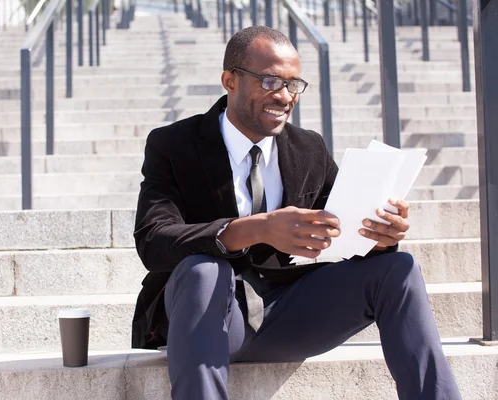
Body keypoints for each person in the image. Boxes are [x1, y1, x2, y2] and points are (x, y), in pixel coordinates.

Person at [131, 26, 461, 400]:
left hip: (291, 315)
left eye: (294, 84)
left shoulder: (308, 148)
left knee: (399, 269)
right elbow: (154, 240)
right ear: (230, 81)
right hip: (211, 319)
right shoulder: (173, 144)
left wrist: (379, 236)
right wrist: (254, 229)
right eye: (270, 81)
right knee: (203, 269)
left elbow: (340, 234)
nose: (285, 96)